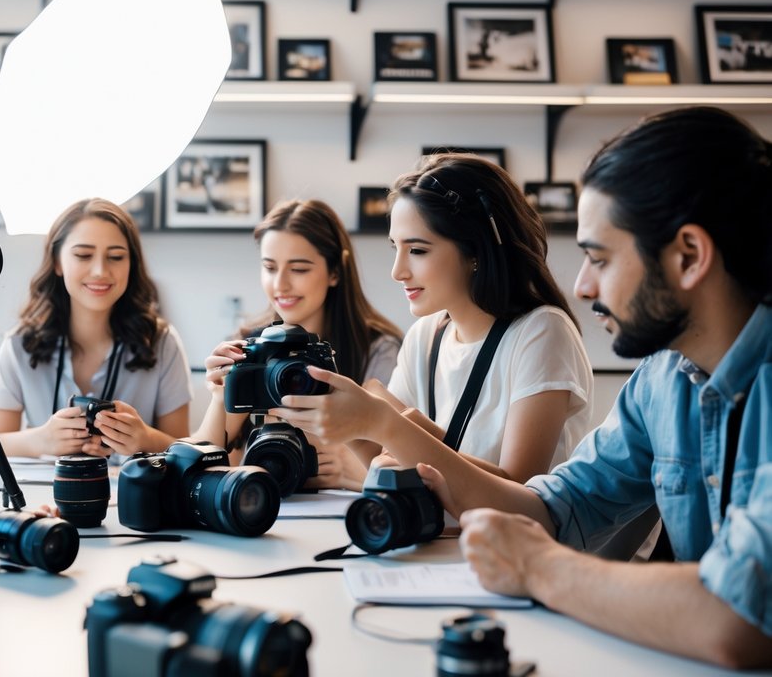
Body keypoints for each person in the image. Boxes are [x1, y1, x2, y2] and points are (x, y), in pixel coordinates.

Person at [319, 107, 772, 667]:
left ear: (689, 256)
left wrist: (537, 566)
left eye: (599, 258)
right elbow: (549, 507)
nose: (582, 287)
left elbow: (738, 618)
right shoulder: (661, 379)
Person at [273, 153, 594, 485]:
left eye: (417, 250)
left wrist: (388, 423)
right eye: (395, 247)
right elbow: (389, 466)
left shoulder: (541, 332)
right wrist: (347, 421)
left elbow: (519, 494)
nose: (397, 271)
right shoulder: (424, 336)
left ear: (475, 252)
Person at [195, 199, 402, 490]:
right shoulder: (247, 346)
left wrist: (349, 468)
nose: (280, 284)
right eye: (269, 267)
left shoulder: (377, 350)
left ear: (335, 272)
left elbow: (403, 461)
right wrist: (220, 399)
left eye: (299, 269)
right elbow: (206, 460)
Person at [0, 198, 191, 458]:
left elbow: (185, 449)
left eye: (116, 257)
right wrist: (41, 441)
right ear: (57, 262)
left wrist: (146, 439)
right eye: (83, 255)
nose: (100, 270)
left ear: (132, 264)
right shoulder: (19, 344)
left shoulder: (161, 342)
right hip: (42, 497)